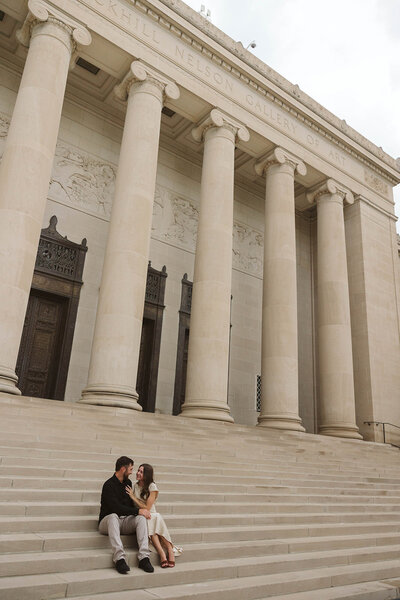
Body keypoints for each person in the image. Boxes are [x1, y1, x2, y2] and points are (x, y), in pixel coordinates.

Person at [98, 456, 154, 574]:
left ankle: (144, 558)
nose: (132, 472)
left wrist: (140, 511)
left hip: (123, 522)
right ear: (123, 469)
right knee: (113, 515)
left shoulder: (128, 483)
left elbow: (129, 506)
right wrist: (137, 511)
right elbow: (116, 508)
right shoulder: (108, 485)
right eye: (131, 469)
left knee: (140, 518)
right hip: (107, 522)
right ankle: (119, 559)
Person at [126, 463, 182, 568]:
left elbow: (147, 507)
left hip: (151, 513)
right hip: (143, 515)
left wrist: (133, 497)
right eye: (138, 470)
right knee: (151, 526)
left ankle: (167, 552)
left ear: (147, 475)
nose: (138, 473)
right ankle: (163, 553)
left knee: (153, 520)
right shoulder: (135, 486)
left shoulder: (152, 486)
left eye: (141, 472)